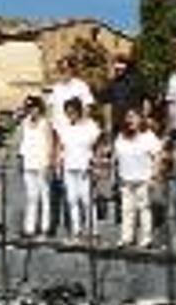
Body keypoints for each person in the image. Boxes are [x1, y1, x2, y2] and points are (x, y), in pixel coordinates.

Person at [113, 108, 162, 248]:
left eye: (133, 117)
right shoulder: (121, 136)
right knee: (126, 210)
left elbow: (158, 156)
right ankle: (126, 237)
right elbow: (116, 157)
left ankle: (146, 238)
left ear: (140, 119)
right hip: (126, 179)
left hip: (143, 179)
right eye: (128, 117)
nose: (130, 120)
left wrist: (154, 175)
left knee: (144, 209)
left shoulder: (148, 136)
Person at [56, 97, 101, 243]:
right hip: (69, 166)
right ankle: (76, 231)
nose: (70, 115)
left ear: (79, 111)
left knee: (86, 199)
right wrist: (59, 163)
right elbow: (61, 147)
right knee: (72, 200)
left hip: (84, 166)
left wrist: (96, 164)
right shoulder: (66, 128)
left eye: (73, 112)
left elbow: (98, 144)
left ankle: (92, 230)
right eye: (68, 112)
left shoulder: (90, 126)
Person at [18, 96, 54, 239]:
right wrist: (21, 160)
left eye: (34, 108)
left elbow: (50, 144)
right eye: (29, 108)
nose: (32, 111)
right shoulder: (24, 123)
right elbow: (23, 142)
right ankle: (30, 228)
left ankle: (45, 228)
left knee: (44, 197)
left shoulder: (45, 123)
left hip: (42, 163)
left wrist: (49, 163)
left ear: (39, 109)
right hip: (29, 163)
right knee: (31, 197)